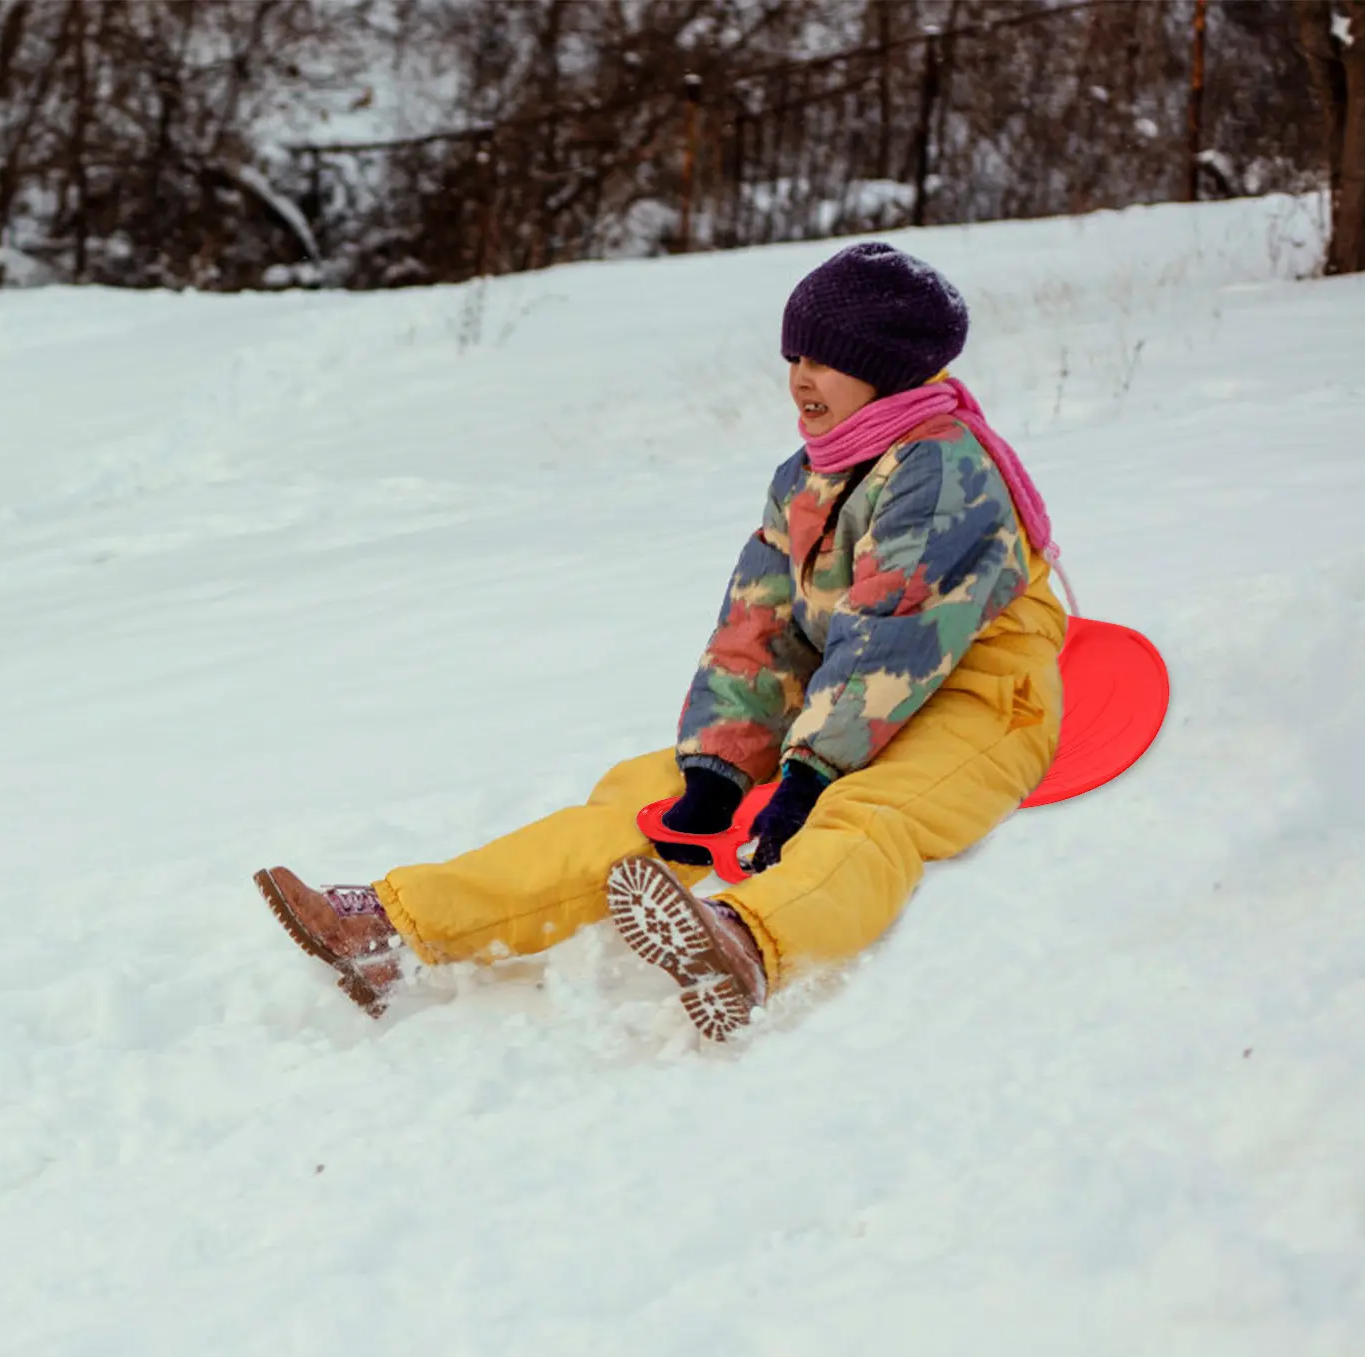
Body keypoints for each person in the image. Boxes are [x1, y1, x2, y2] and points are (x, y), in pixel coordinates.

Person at [255, 241, 1069, 1042]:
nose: (801, 378)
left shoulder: (941, 472)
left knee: (865, 813)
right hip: (850, 683)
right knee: (654, 799)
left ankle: (747, 943)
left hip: (977, 687)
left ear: (889, 369)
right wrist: (719, 767)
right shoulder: (810, 473)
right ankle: (399, 930)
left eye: (828, 359)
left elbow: (895, 638)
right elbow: (759, 623)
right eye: (795, 356)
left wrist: (809, 774)